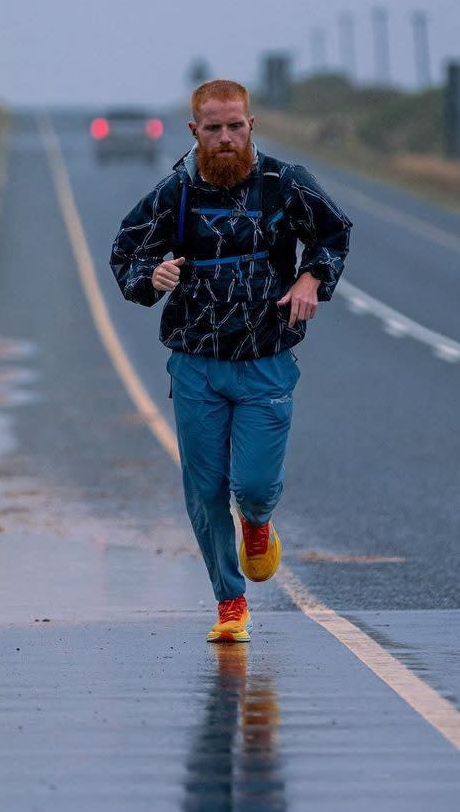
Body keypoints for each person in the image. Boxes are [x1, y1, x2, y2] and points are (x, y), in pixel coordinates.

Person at [110, 79, 352, 643]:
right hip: (194, 362)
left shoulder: (284, 184)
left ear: (251, 126)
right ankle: (230, 604)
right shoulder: (177, 192)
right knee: (204, 487)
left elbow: (334, 233)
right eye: (213, 129)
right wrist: (152, 276)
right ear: (194, 131)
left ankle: (260, 525)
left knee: (255, 485)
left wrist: (312, 279)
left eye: (234, 126)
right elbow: (127, 251)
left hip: (266, 358)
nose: (225, 138)